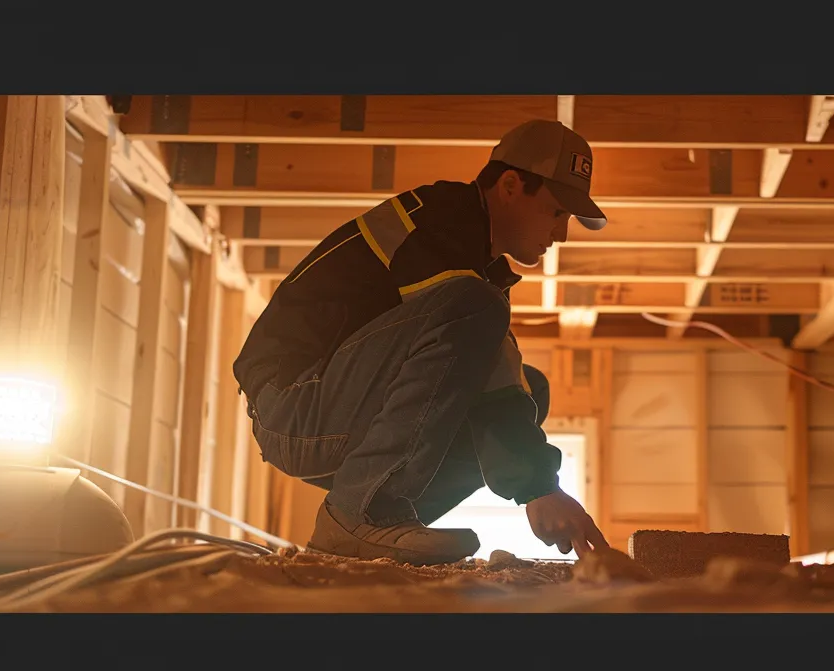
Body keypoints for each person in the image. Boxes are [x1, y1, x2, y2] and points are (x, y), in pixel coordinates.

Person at [232, 119, 612, 566]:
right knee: (480, 311)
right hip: (294, 408)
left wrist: (537, 484)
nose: (562, 233)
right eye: (556, 212)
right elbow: (486, 363)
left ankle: (388, 522)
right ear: (511, 185)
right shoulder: (441, 222)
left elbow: (488, 377)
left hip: (334, 407)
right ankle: (366, 511)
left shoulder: (473, 261)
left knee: (532, 388)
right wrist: (538, 487)